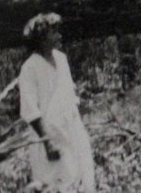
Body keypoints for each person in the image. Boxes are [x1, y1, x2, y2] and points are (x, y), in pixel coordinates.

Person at [19, 12, 95, 192]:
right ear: (42, 37)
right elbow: (30, 110)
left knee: (82, 176)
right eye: (55, 32)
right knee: (54, 182)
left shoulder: (61, 59)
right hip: (49, 135)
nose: (60, 36)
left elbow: (67, 94)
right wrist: (48, 141)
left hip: (71, 129)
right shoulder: (29, 68)